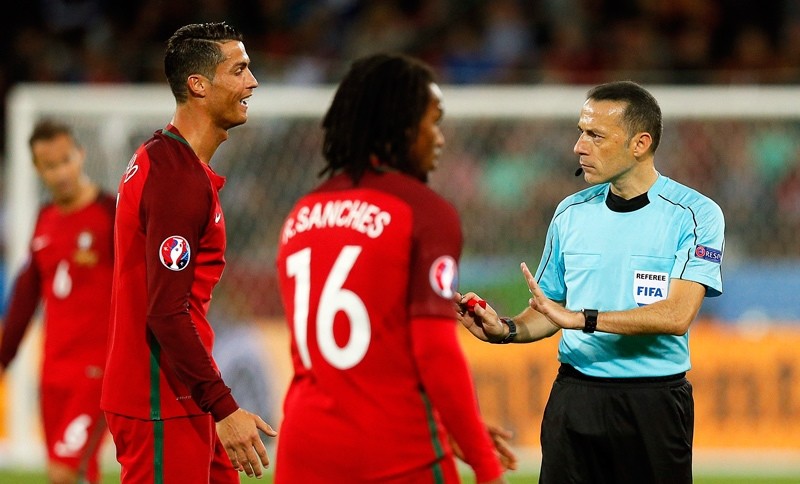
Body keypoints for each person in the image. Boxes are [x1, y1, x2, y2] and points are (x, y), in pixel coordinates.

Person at [458, 80, 725, 484]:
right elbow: (550, 311)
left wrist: (580, 319)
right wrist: (506, 329)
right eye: (581, 132)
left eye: (595, 135)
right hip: (574, 399)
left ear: (640, 144)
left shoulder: (696, 214)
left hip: (652, 405)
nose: (579, 147)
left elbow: (676, 315)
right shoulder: (571, 212)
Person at [275, 53, 516, 484]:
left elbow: (362, 358)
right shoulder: (423, 212)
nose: (440, 138)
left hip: (303, 453)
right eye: (434, 121)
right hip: (395, 456)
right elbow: (434, 352)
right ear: (403, 126)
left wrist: (450, 429)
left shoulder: (302, 213)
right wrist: (485, 463)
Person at [100, 21, 277, 483]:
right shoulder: (177, 181)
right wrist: (224, 406)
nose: (251, 83)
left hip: (181, 391)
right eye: (239, 70)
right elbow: (165, 311)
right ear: (198, 85)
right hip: (160, 399)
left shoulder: (169, 161)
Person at [0, 120, 115, 484]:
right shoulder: (44, 220)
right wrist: (3, 358)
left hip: (97, 371)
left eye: (66, 160)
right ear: (37, 169)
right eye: (50, 165)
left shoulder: (111, 214)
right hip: (53, 371)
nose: (61, 172)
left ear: (80, 155)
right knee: (81, 474)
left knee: (63, 472)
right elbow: (24, 296)